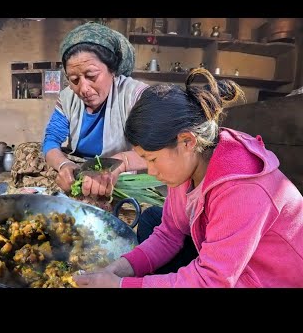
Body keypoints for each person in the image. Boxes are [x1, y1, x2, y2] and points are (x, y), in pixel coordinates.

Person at [73, 68, 303, 288]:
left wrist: (122, 285)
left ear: (187, 141)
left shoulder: (244, 189)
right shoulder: (191, 162)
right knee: (153, 220)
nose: (151, 171)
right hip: (229, 262)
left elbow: (211, 282)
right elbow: (169, 234)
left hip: (268, 278)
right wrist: (116, 270)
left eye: (152, 159)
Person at [42, 21, 149, 194]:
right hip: (80, 168)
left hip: (117, 173)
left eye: (91, 76)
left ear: (112, 70)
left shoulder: (134, 95)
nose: (83, 89)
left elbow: (161, 149)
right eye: (74, 79)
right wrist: (64, 164)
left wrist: (120, 163)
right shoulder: (67, 97)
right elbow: (51, 140)